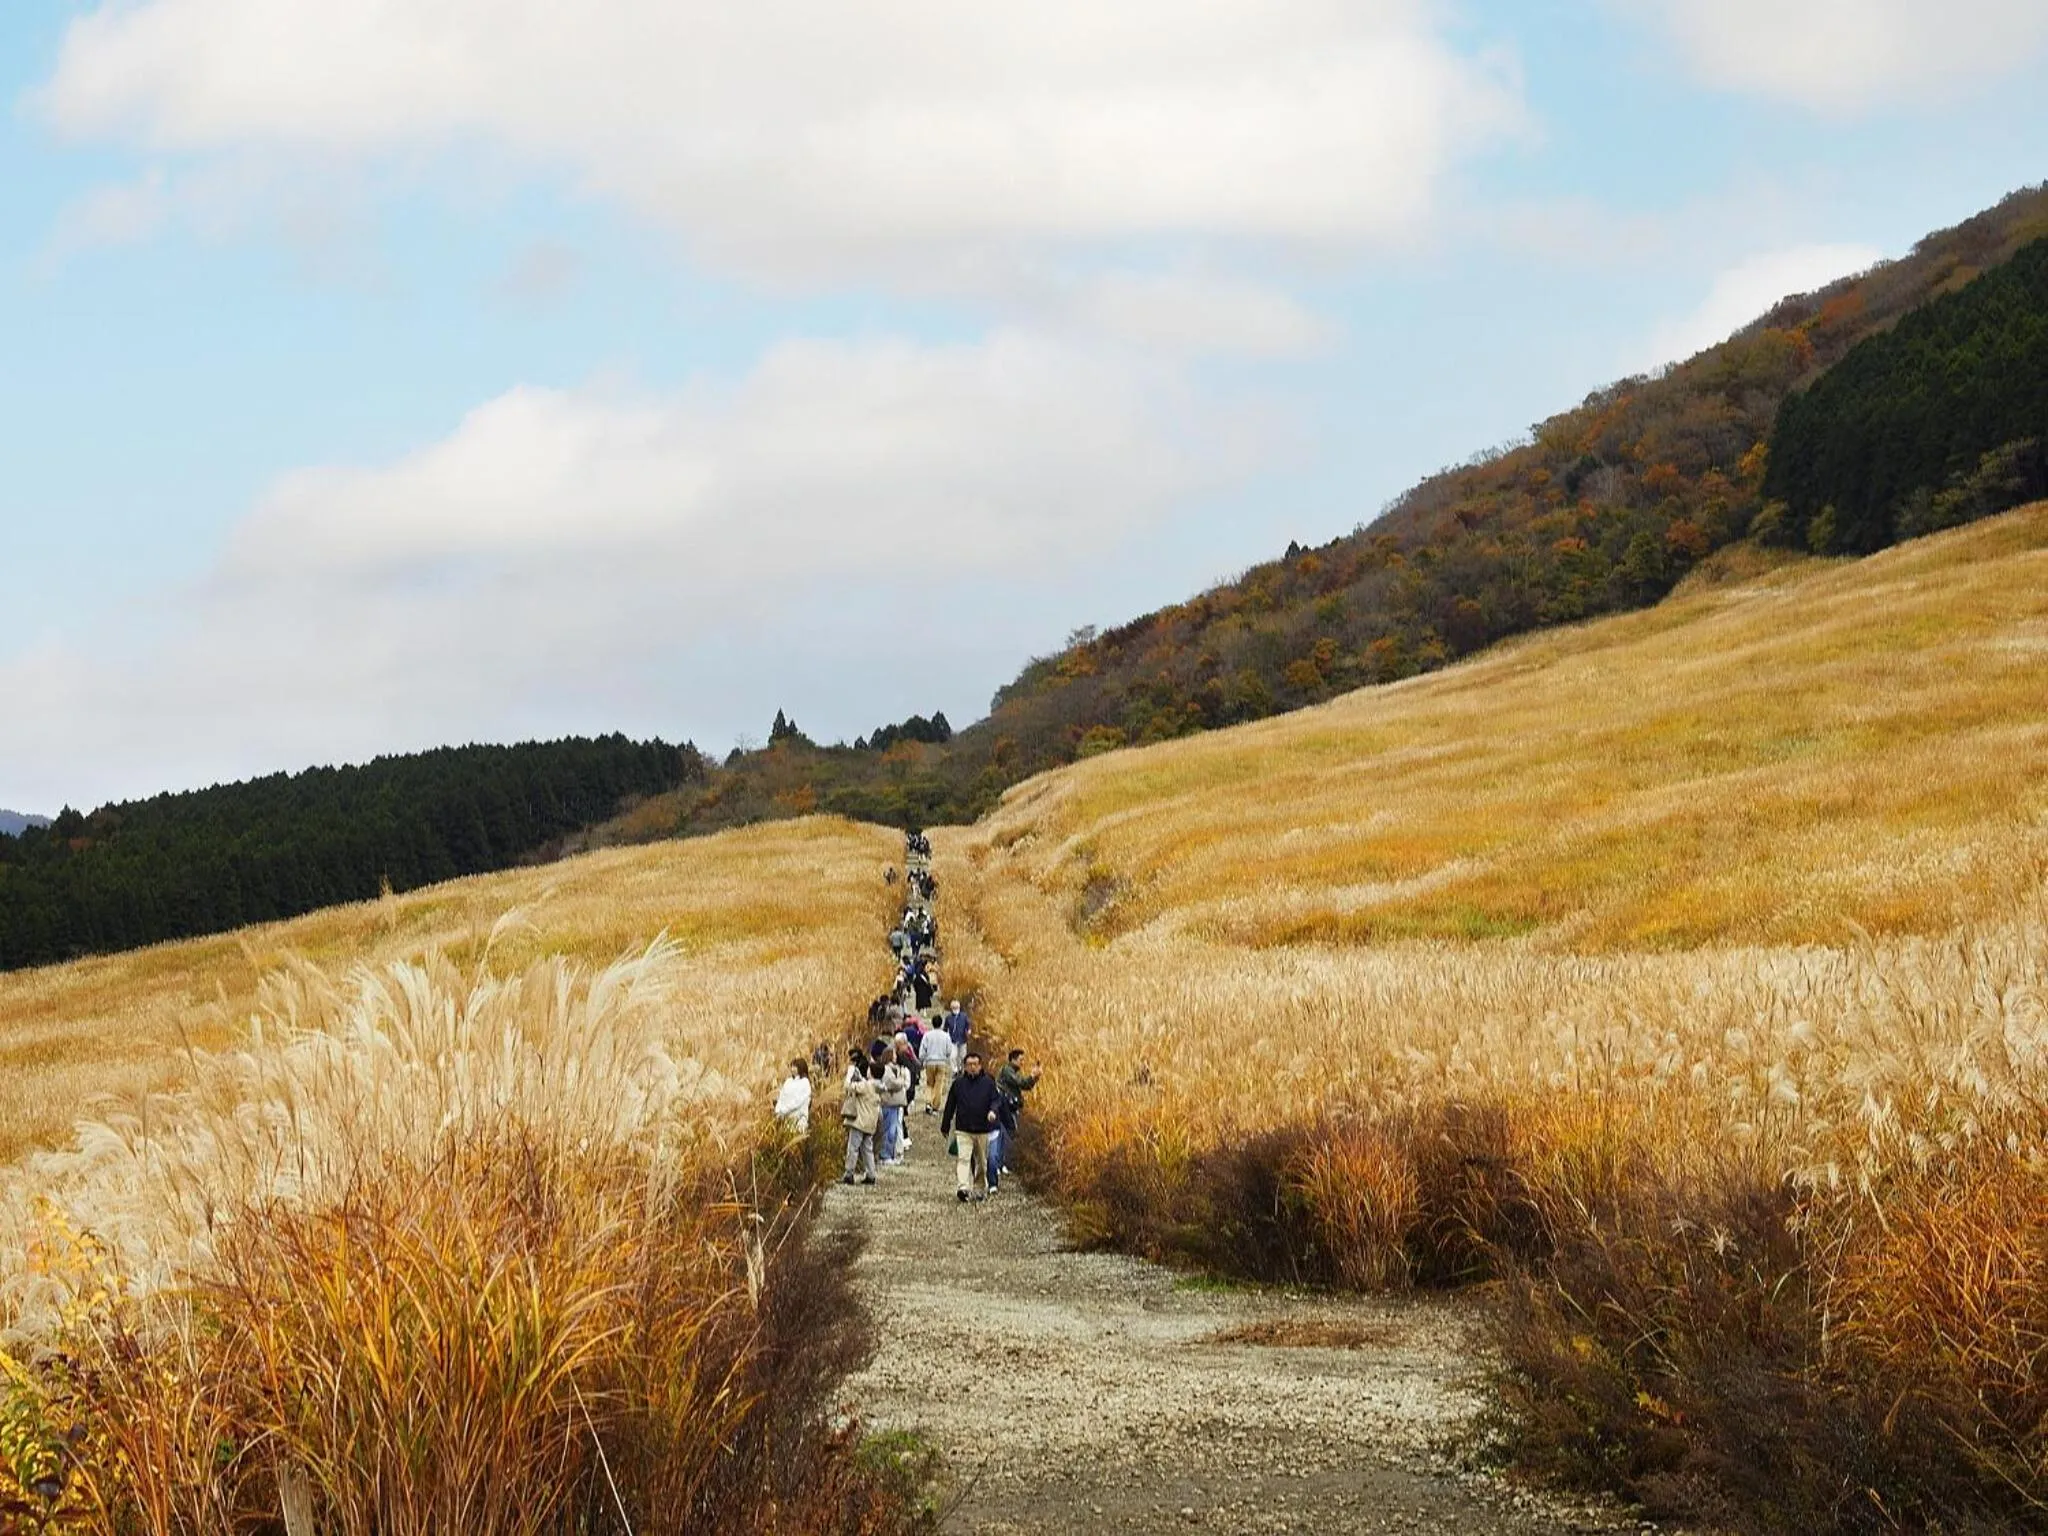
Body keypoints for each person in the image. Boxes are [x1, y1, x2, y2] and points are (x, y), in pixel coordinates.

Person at [941, 1051, 1002, 1202]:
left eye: (975, 1064)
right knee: (963, 1158)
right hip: (963, 1128)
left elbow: (996, 1100)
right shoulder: (959, 1084)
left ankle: (980, 1187)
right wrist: (945, 1124)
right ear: (965, 1066)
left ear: (980, 1066)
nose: (972, 1067)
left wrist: (992, 1111)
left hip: (982, 1129)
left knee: (981, 1162)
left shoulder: (988, 1083)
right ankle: (963, 1187)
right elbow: (950, 1105)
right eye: (969, 1065)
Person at [987, 1048, 1039, 1194]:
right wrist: (1032, 1076)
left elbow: (1026, 1085)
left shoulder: (1013, 1071)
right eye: (1021, 1059)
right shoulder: (1007, 1071)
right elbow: (1021, 1083)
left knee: (1007, 1137)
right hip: (1004, 1109)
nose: (1023, 1062)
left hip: (1010, 1108)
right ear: (1013, 1059)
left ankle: (1002, 1164)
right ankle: (998, 1165)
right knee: (1002, 1136)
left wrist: (1034, 1078)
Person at [841, 1058, 881, 1185]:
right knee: (867, 1149)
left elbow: (848, 1086)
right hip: (870, 1124)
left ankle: (849, 1174)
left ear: (872, 1072)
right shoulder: (878, 1086)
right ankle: (871, 1174)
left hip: (859, 1123)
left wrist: (849, 1074)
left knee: (853, 1148)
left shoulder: (866, 1086)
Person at [878, 1051, 911, 1164]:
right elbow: (892, 1084)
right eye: (894, 1055)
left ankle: (890, 1154)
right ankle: (885, 1155)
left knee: (893, 1130)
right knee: (889, 1131)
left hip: (894, 1103)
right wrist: (901, 1080)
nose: (896, 1057)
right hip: (889, 1103)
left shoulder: (893, 1069)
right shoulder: (887, 1070)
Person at [917, 1017, 955, 1115]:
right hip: (941, 1062)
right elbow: (949, 1050)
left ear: (932, 1023)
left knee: (929, 1083)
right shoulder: (946, 1036)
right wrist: (946, 1057)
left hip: (930, 1062)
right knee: (939, 1085)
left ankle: (928, 1102)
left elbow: (922, 1050)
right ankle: (935, 1106)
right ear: (941, 1024)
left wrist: (922, 1059)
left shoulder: (927, 1035)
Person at [773, 1059, 812, 1135]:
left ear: (801, 1068)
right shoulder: (788, 1081)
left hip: (798, 1119)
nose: (792, 1069)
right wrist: (778, 1110)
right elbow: (781, 1096)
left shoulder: (805, 1082)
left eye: (795, 1067)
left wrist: (784, 1110)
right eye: (792, 1066)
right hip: (786, 1118)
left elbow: (798, 1101)